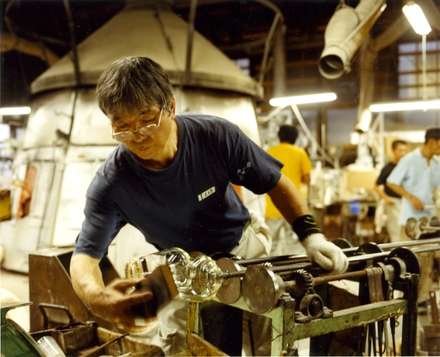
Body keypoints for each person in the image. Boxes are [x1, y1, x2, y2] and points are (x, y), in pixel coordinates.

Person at [69, 56, 348, 355]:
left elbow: (274, 182)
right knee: (180, 347)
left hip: (241, 250)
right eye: (122, 126)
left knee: (265, 340)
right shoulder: (113, 182)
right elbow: (84, 257)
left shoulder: (215, 136)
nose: (137, 135)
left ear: (171, 107)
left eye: (147, 119)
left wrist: (312, 235)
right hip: (180, 271)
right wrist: (97, 297)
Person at [387, 128, 440, 304]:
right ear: (432, 142)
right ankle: (407, 300)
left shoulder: (435, 163)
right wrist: (410, 197)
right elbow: (392, 182)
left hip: (429, 221)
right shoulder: (410, 160)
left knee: (427, 262)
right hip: (411, 222)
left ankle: (421, 299)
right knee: (411, 262)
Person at [265, 124, 312, 256]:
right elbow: (307, 179)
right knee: (293, 244)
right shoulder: (300, 153)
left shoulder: (269, 151)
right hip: (293, 207)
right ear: (295, 138)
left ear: (279, 137)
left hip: (272, 205)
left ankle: (271, 272)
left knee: (271, 244)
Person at [374, 139, 409, 242]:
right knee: (396, 232)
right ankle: (398, 255)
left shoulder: (408, 167)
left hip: (407, 203)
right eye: (400, 150)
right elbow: (376, 185)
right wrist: (386, 198)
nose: (403, 153)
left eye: (405, 150)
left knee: (408, 231)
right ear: (394, 151)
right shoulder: (388, 168)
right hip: (394, 203)